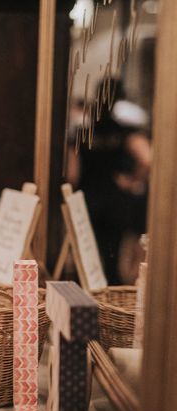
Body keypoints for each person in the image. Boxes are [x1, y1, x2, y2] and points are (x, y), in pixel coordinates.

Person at [76, 78, 151, 284]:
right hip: (115, 202)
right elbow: (146, 158)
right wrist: (133, 180)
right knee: (112, 256)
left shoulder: (84, 133)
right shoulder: (123, 130)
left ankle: (91, 292)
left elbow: (72, 171)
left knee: (88, 252)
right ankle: (108, 297)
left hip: (88, 199)